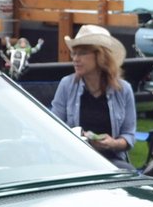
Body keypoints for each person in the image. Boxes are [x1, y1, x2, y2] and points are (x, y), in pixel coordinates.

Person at [50, 24, 136, 163]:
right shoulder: (67, 85)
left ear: (101, 56)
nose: (75, 59)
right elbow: (54, 126)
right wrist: (79, 136)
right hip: (74, 159)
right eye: (74, 53)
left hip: (112, 160)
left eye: (82, 53)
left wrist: (113, 144)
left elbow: (129, 135)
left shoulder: (123, 89)